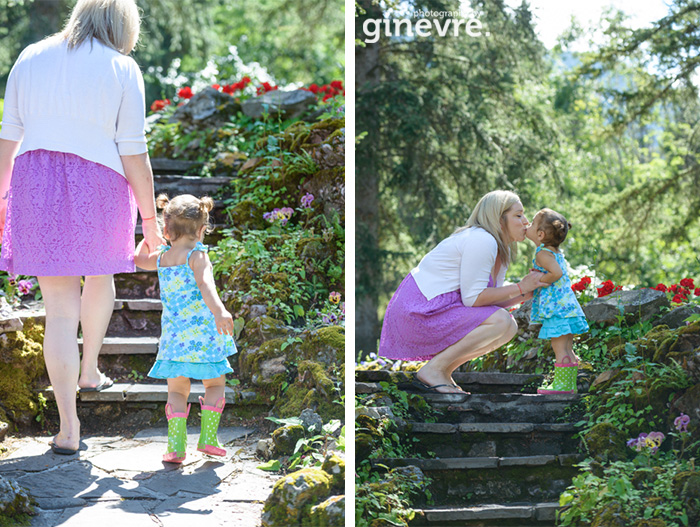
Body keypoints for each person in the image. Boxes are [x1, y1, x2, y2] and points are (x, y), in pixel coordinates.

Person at [0, 0, 165, 455]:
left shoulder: (31, 54)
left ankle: (68, 427)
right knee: (101, 275)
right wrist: (150, 223)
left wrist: (1, 199)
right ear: (123, 24)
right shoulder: (121, 67)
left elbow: (7, 134)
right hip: (100, 181)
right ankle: (89, 366)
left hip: (34, 181)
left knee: (57, 310)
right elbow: (134, 149)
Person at [379, 190, 547, 394]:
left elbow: (487, 303)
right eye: (518, 215)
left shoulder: (500, 250)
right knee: (502, 321)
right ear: (498, 219)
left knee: (508, 327)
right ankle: (434, 370)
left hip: (442, 310)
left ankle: (442, 371)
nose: (526, 222)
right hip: (419, 312)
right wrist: (521, 287)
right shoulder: (482, 240)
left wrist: (526, 293)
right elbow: (474, 299)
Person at [134, 194, 237, 463]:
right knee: (215, 384)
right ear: (203, 229)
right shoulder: (198, 255)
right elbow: (205, 285)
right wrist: (220, 311)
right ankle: (208, 438)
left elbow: (137, 259)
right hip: (203, 335)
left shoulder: (162, 257)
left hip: (174, 338)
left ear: (166, 230)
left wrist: (149, 237)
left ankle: (176, 448)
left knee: (177, 391)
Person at [525, 208, 589, 394]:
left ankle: (561, 387)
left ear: (540, 234)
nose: (526, 226)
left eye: (531, 225)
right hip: (566, 307)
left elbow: (556, 274)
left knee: (559, 347)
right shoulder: (554, 252)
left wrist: (538, 280)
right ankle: (569, 386)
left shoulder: (542, 254)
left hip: (556, 309)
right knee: (567, 347)